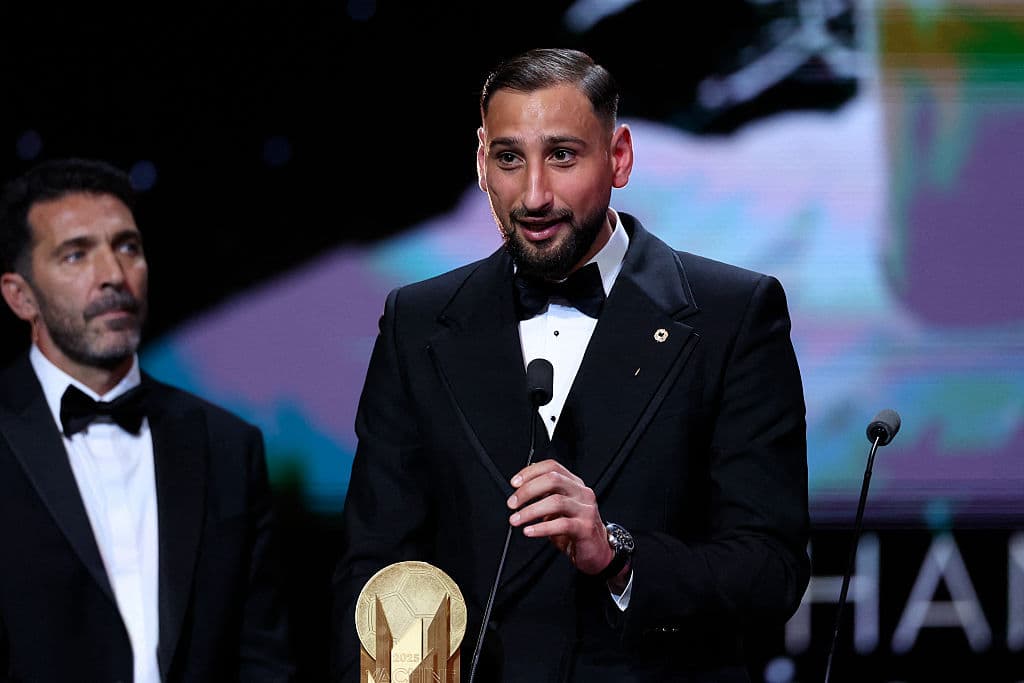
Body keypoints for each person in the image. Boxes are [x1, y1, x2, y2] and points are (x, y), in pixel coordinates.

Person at [332, 47, 809, 682]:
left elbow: (771, 570)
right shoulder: (418, 323)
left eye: (562, 155)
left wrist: (616, 556)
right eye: (509, 158)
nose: (533, 195)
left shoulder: (732, 315)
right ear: (481, 163)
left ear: (619, 158)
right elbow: (375, 565)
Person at [0, 157, 295, 682]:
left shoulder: (227, 446)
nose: (113, 275)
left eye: (127, 247)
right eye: (76, 255)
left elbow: (263, 653)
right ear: (21, 296)